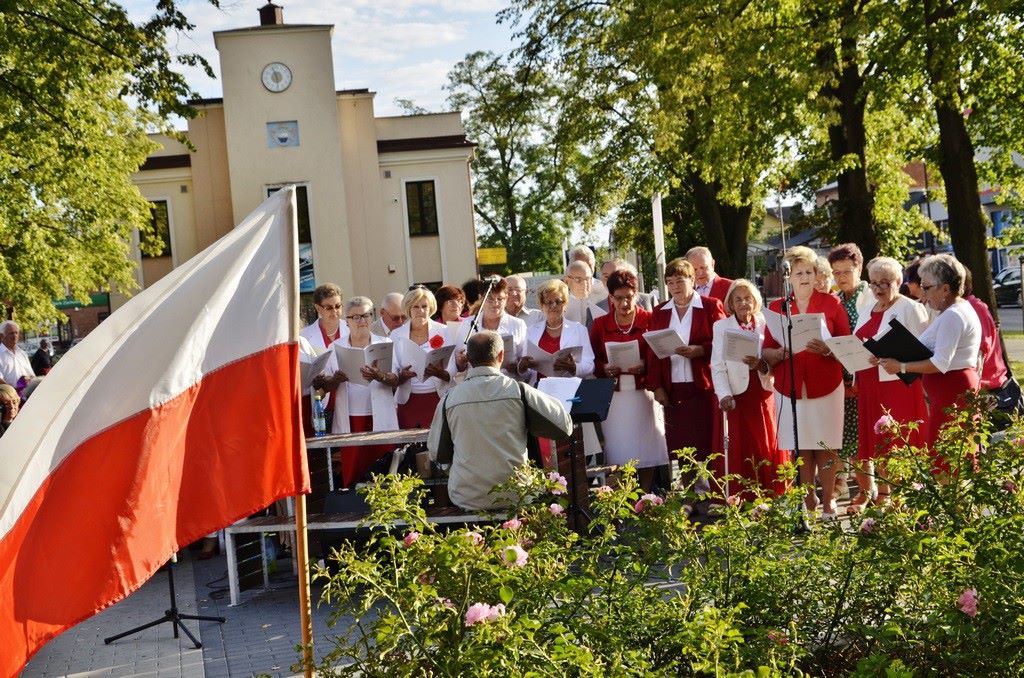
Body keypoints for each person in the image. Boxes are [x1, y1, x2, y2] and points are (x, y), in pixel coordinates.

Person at [427, 331, 573, 511]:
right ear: (501, 356)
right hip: (516, 493)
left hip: (467, 496)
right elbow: (564, 426)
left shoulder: (449, 399)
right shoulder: (519, 391)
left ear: (469, 360)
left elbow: (436, 453)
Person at [760, 246, 851, 519]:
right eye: (798, 273)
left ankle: (828, 501)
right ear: (790, 277)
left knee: (826, 444)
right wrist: (777, 353)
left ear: (816, 274)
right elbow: (765, 349)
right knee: (801, 445)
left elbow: (846, 343)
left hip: (826, 383)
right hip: (789, 384)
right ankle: (808, 499)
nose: (804, 277)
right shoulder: (778, 307)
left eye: (809, 272)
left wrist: (827, 350)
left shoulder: (832, 303)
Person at [878, 254, 981, 461]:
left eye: (926, 288)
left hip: (952, 390)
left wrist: (902, 366)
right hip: (948, 390)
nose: (922, 294)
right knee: (949, 456)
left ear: (945, 288)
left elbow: (940, 362)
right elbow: (925, 349)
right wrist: (886, 354)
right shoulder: (950, 311)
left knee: (948, 458)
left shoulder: (953, 315)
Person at [852, 257, 930, 510]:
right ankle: (884, 493)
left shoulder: (910, 308)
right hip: (869, 382)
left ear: (898, 282)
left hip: (897, 384)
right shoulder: (867, 307)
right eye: (874, 283)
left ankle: (904, 494)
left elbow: (923, 351)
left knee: (898, 440)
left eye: (885, 283)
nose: (878, 289)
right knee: (878, 442)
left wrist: (893, 357)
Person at [646, 258, 726, 484]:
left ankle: (716, 492)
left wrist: (700, 350)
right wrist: (657, 387)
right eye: (669, 282)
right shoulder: (660, 311)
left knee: (709, 441)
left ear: (692, 280)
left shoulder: (711, 305)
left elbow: (722, 342)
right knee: (682, 445)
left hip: (703, 385)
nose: (675, 287)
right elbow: (652, 353)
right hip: (673, 386)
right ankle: (691, 493)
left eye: (680, 281)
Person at [589, 269, 668, 490]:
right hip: (615, 397)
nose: (624, 303)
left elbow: (660, 354)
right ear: (610, 298)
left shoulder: (650, 319)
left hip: (644, 392)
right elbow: (592, 359)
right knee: (619, 448)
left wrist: (645, 365)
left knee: (647, 447)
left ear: (636, 295)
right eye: (618, 298)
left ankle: (645, 494)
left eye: (629, 297)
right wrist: (604, 368)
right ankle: (623, 496)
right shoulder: (600, 324)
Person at [711, 280, 788, 497]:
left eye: (748, 298)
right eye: (738, 299)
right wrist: (724, 394)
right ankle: (740, 495)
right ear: (731, 304)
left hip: (761, 390)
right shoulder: (721, 327)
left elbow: (774, 358)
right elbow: (717, 365)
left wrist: (761, 365)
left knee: (764, 442)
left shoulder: (766, 323)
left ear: (755, 301)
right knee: (739, 446)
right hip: (736, 393)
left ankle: (770, 493)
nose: (744, 302)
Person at [314, 297, 400, 487]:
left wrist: (380, 376)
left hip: (380, 415)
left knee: (385, 472)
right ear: (347, 321)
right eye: (356, 317)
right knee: (354, 473)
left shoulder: (385, 343)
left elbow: (397, 380)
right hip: (351, 417)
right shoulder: (336, 347)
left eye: (367, 315)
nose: (362, 321)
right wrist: (335, 380)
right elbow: (325, 385)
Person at [827, 243, 873, 500]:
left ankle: (869, 492)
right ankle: (842, 485)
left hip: (865, 375)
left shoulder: (869, 297)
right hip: (841, 379)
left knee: (864, 438)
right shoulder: (836, 300)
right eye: (836, 273)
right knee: (844, 435)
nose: (841, 277)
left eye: (845, 271)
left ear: (859, 267)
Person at [391, 287, 452, 430]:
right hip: (408, 401)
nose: (421, 311)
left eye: (424, 306)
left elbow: (452, 367)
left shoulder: (444, 331)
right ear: (408, 309)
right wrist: (402, 375)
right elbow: (393, 369)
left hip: (438, 397)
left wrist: (439, 372)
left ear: (431, 308)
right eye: (416, 307)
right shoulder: (396, 335)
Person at [451, 278, 528, 380]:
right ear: (481, 298)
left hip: (507, 384)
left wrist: (518, 368)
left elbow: (526, 366)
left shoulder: (518, 324)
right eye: (490, 299)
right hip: (476, 384)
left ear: (506, 299)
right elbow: (458, 367)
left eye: (500, 299)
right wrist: (460, 363)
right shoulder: (467, 324)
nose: (495, 304)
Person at [963, 270, 1009, 393]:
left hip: (987, 386)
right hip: (984, 384)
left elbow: (981, 349)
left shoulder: (973, 307)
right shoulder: (966, 307)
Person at [299, 283, 348, 354]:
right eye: (328, 308)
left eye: (337, 306)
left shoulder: (352, 329)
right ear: (318, 308)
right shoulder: (304, 336)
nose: (334, 311)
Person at [0, 321, 35, 389]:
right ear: (2, 336)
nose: (15, 336)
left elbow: (32, 375)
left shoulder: (22, 354)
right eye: (11, 333)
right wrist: (13, 392)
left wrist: (28, 379)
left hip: (27, 394)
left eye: (16, 333)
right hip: (9, 397)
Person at [564, 260, 599, 327]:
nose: (585, 284)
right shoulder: (560, 305)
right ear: (567, 281)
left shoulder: (601, 301)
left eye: (588, 279)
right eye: (578, 279)